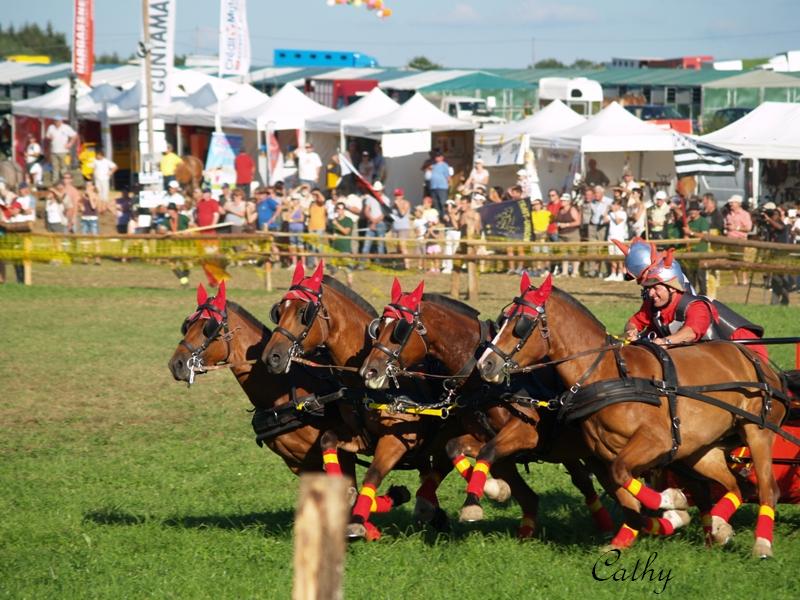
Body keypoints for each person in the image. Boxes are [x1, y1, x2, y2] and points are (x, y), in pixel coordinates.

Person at [623, 250, 766, 360]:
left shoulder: (696, 306)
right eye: (648, 289)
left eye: (656, 288)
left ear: (672, 287)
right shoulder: (653, 304)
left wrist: (664, 341)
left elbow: (690, 333)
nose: (651, 294)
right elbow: (634, 322)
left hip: (746, 351)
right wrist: (631, 331)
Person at [724, 194, 753, 285]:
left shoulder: (745, 214)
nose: (730, 204)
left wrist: (736, 228)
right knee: (732, 260)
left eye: (732, 203)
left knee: (741, 260)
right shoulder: (729, 214)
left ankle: (744, 279)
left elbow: (748, 228)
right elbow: (726, 225)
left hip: (740, 239)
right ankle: (735, 279)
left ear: (738, 203)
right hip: (730, 239)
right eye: (730, 203)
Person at [555, 193, 581, 278]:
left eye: (564, 200)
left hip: (572, 234)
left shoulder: (572, 209)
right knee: (563, 253)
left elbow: (578, 222)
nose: (562, 201)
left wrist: (566, 225)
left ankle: (575, 272)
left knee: (574, 253)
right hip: (562, 234)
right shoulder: (560, 210)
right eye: (562, 200)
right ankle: (564, 272)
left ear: (569, 201)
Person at [45, 116, 77, 183]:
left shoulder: (66, 127)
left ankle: (64, 182)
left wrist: (70, 144)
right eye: (56, 121)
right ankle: (55, 182)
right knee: (55, 167)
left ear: (61, 121)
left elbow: (74, 135)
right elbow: (47, 136)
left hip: (63, 151)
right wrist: (49, 137)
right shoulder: (51, 127)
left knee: (64, 167)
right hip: (54, 151)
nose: (57, 122)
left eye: (58, 121)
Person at [605, 196, 628, 281]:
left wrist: (614, 212)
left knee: (619, 256)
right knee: (612, 256)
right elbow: (605, 220)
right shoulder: (611, 213)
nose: (613, 206)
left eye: (615, 205)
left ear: (619, 205)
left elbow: (618, 221)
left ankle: (620, 274)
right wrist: (606, 210)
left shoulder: (623, 213)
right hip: (611, 237)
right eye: (613, 205)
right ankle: (613, 273)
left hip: (619, 237)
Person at [391, 188, 412, 269]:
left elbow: (403, 213)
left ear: (402, 195)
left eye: (399, 195)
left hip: (403, 227)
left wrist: (398, 205)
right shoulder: (394, 204)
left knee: (403, 246)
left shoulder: (406, 203)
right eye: (396, 195)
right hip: (395, 227)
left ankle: (407, 265)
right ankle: (400, 264)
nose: (397, 197)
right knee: (397, 247)